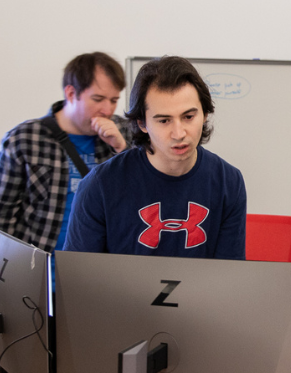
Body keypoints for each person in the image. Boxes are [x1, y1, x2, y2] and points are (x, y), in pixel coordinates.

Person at [0, 51, 130, 306]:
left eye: (114, 100)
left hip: (104, 284)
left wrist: (122, 148)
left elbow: (147, 199)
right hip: (37, 282)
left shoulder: (125, 133)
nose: (108, 109)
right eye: (98, 99)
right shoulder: (25, 139)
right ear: (71, 94)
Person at [64, 56, 246, 259]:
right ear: (142, 123)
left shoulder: (229, 181)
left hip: (202, 292)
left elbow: (229, 278)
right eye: (164, 120)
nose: (179, 133)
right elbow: (79, 281)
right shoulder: (99, 185)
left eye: (188, 117)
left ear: (204, 114)